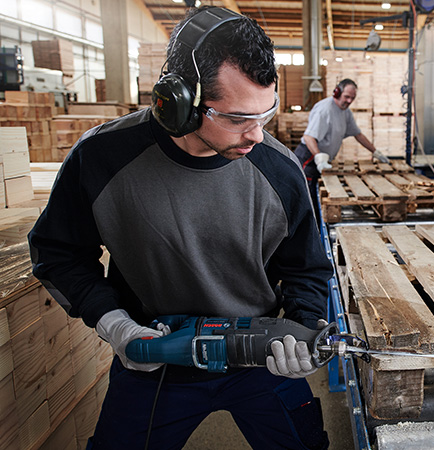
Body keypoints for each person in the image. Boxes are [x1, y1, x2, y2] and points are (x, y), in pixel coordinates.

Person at [28, 6, 332, 450]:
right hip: (156, 360)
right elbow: (57, 253)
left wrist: (303, 331)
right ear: (179, 103)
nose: (256, 135)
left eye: (264, 115)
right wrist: (115, 324)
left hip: (259, 357)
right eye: (237, 118)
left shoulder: (280, 172)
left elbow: (307, 268)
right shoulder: (101, 159)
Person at [294, 78, 390, 207]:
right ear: (337, 93)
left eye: (352, 98)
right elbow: (308, 137)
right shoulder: (325, 109)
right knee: (308, 196)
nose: (349, 101)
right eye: (347, 97)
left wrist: (376, 152)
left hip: (321, 160)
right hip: (309, 158)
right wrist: (319, 159)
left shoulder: (346, 112)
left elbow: (358, 134)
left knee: (317, 197)